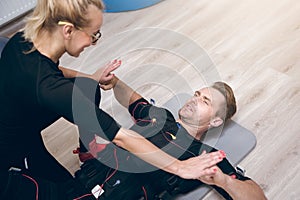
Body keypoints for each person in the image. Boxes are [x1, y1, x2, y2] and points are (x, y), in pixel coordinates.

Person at [0, 0, 224, 199]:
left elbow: (51, 71)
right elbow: (121, 137)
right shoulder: (51, 89)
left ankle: (82, 153)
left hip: (18, 120)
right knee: (68, 190)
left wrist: (90, 77)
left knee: (88, 88)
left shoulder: (22, 41)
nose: (92, 42)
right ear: (68, 30)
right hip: (10, 155)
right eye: (93, 34)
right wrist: (180, 168)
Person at [74, 75, 266, 200]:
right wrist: (115, 82)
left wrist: (223, 180)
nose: (194, 99)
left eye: (204, 101)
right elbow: (133, 100)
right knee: (84, 88)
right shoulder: (161, 116)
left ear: (215, 121)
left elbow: (258, 197)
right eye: (196, 94)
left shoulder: (203, 155)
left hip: (116, 195)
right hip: (83, 179)